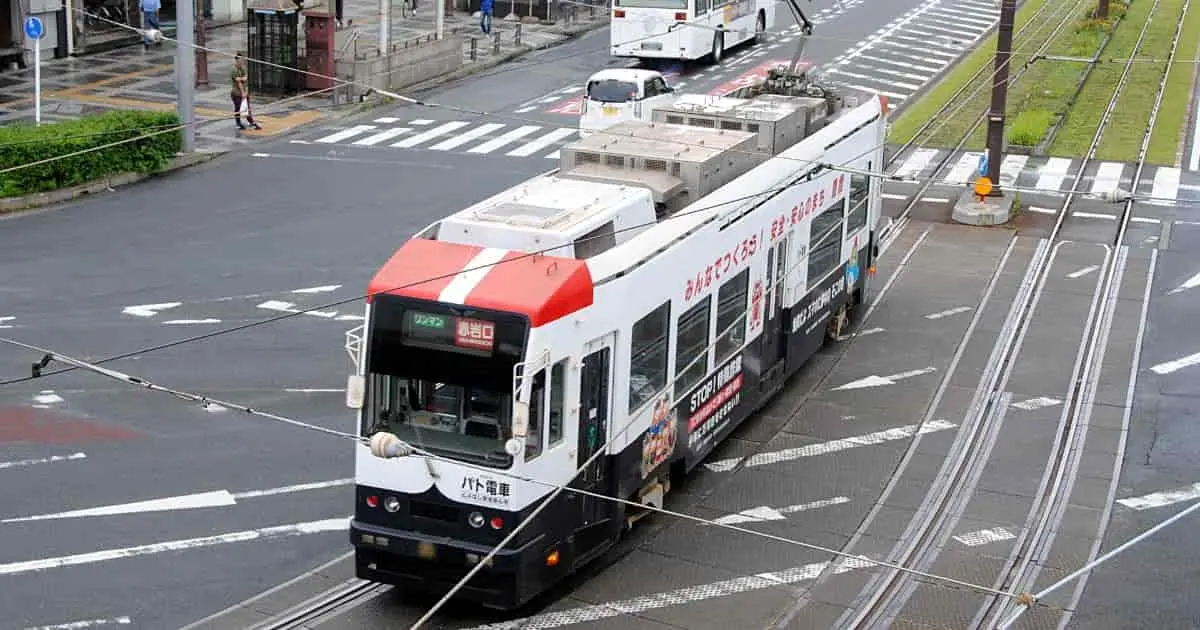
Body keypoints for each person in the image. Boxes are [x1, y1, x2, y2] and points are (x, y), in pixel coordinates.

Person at [231, 52, 263, 131]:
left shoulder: (243, 68)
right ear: (236, 60)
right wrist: (243, 93)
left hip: (244, 92)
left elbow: (245, 79)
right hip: (237, 93)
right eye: (239, 60)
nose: (241, 61)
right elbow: (239, 83)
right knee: (238, 109)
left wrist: (246, 92)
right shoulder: (234, 70)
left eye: (242, 59)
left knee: (247, 108)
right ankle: (239, 123)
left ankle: (251, 122)